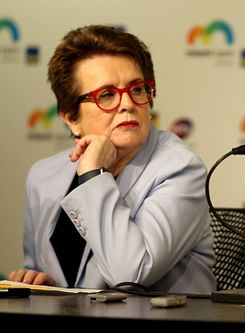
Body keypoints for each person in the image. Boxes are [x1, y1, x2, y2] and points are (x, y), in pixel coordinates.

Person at [8, 25, 216, 294]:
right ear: (71, 117)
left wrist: (94, 175)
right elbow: (40, 269)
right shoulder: (43, 175)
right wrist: (42, 284)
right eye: (106, 95)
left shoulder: (180, 168)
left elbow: (131, 275)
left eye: (137, 89)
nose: (127, 104)